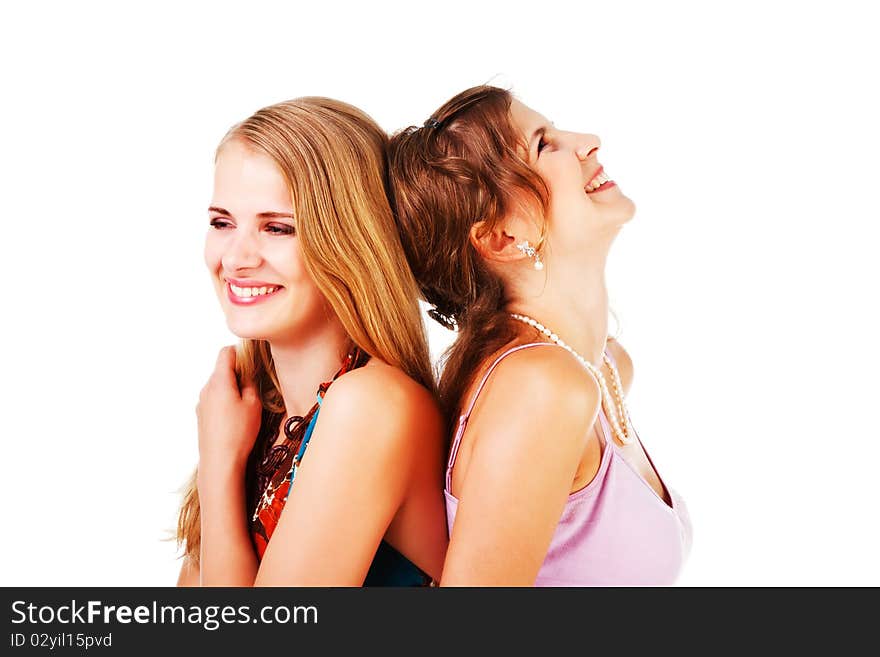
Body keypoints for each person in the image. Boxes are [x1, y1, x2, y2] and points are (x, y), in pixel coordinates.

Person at [386, 85, 692, 586]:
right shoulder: (541, 389)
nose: (589, 141)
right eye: (544, 145)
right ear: (501, 236)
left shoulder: (604, 367)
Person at [175, 97, 448, 586]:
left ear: (349, 240)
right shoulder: (255, 417)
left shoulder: (374, 404)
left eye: (277, 228)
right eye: (222, 222)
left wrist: (219, 468)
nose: (235, 258)